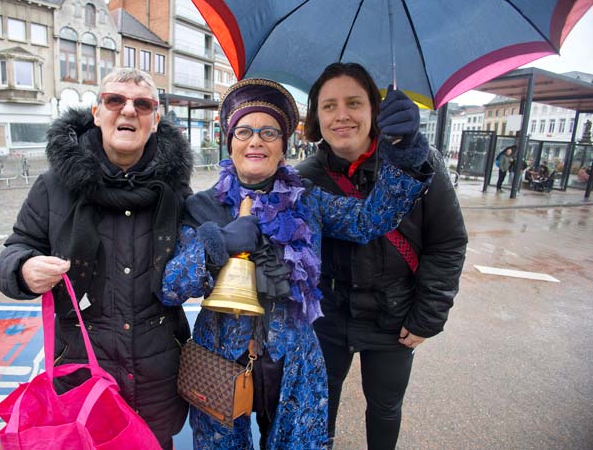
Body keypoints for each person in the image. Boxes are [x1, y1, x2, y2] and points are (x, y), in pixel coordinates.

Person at [158, 78, 432, 449]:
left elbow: (371, 219)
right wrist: (217, 243)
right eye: (244, 131)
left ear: (284, 147)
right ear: (231, 143)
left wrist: (405, 149)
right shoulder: (203, 205)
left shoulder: (309, 202)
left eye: (269, 132)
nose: (256, 140)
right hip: (219, 359)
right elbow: (173, 287)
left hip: (294, 361)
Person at [0, 68, 192, 449]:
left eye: (143, 104)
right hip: (83, 370)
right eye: (115, 100)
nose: (128, 111)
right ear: (96, 112)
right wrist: (22, 270)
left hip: (157, 370)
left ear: (155, 121)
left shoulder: (176, 191)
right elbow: (16, 249)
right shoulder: (54, 185)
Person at [296, 62, 468, 450]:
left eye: (354, 103)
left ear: (375, 110)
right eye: (329, 106)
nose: (342, 115)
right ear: (316, 116)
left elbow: (448, 242)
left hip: (394, 318)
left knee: (385, 408)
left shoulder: (422, 163)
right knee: (318, 408)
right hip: (328, 318)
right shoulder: (304, 177)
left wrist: (428, 316)